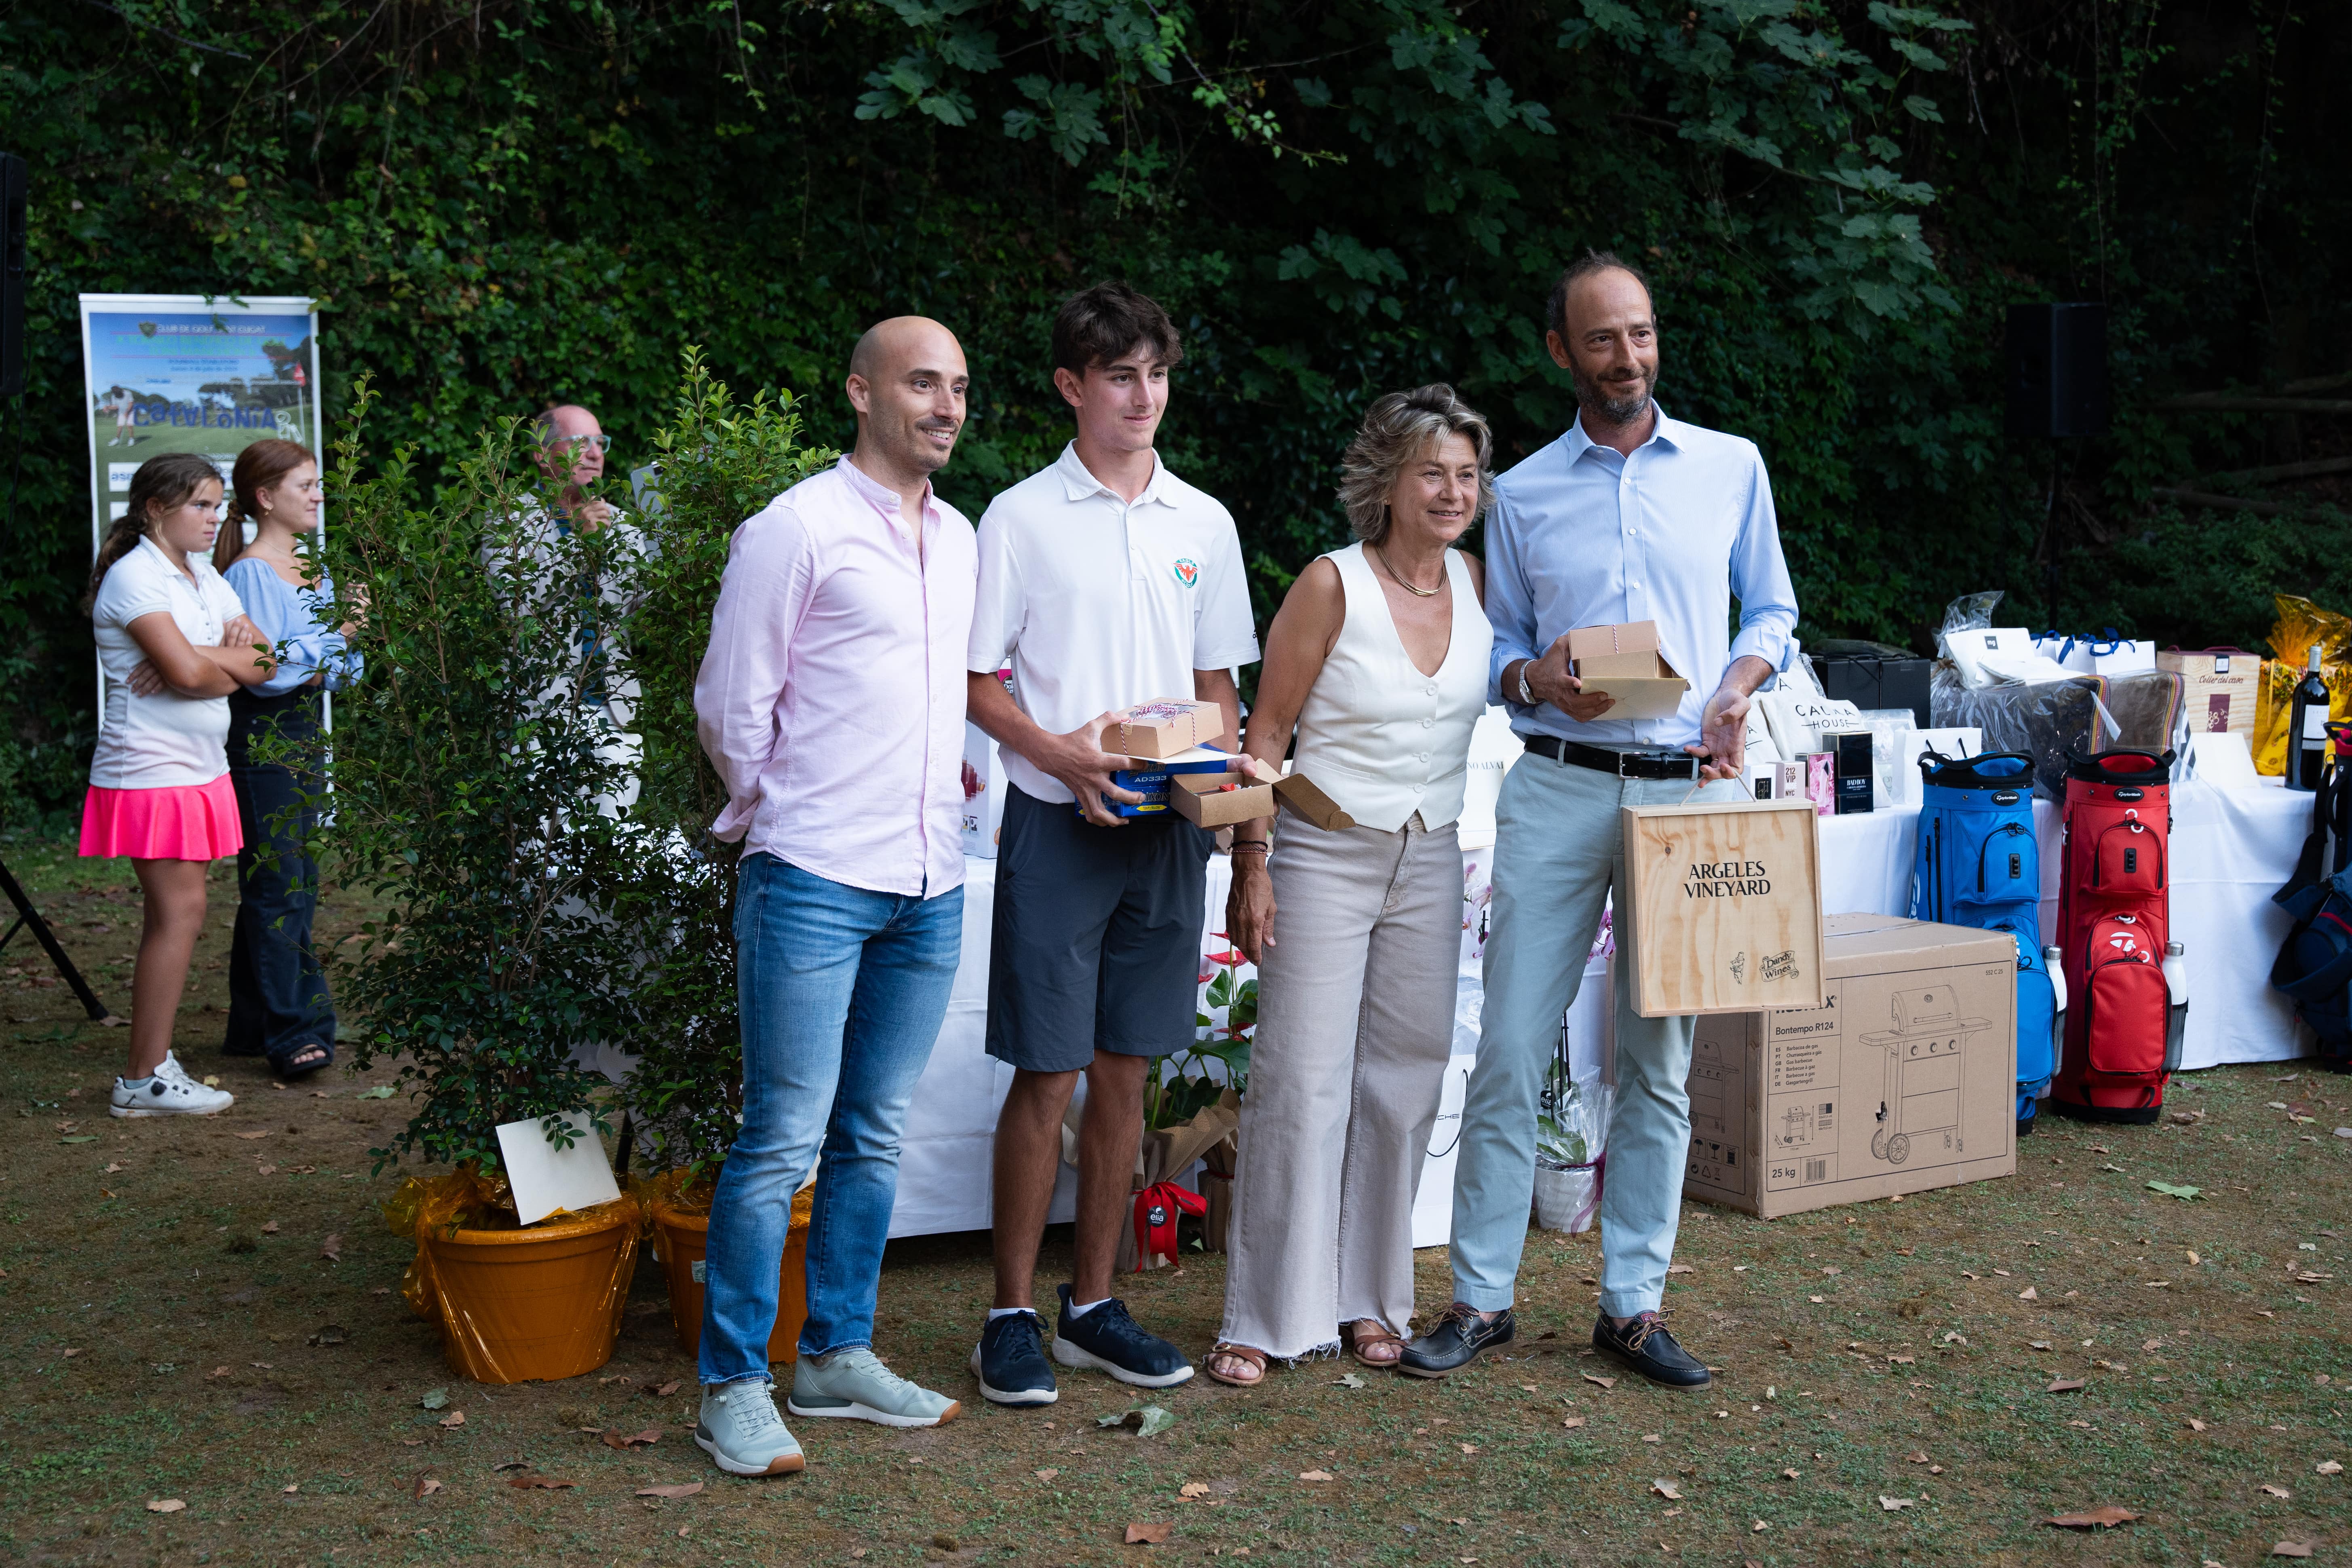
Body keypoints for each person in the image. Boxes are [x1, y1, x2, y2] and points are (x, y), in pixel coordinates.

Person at [1399, 253, 1797, 1386]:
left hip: (1684, 794)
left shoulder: (1730, 467)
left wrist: (1736, 685)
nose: (1627, 356)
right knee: (1511, 1050)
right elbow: (1497, 659)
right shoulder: (1517, 493)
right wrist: (1536, 680)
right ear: (1559, 352)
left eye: (1641, 334)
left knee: (1657, 1063)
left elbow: (1770, 604)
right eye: (1603, 339)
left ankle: (1631, 1305)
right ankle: (1480, 1300)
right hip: (1560, 783)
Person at [690, 317, 978, 1477]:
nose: (946, 405)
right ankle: (731, 1384)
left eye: (959, 387)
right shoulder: (795, 528)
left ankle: (836, 1356)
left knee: (876, 1132)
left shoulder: (957, 536)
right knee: (780, 1140)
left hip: (931, 877)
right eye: (922, 383)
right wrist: (792, 808)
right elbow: (728, 701)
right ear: (861, 393)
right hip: (813, 872)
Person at [965, 282, 1259, 1407]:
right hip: (1058, 820)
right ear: (1071, 387)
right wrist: (1065, 758)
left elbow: (1215, 690)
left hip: (1166, 837)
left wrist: (1215, 796)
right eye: (1120, 377)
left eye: (1156, 375)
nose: (1143, 397)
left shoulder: (1204, 522)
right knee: (1046, 1073)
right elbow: (978, 686)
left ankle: (1089, 1308)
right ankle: (1006, 1314)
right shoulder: (1018, 518)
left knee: (1127, 1072)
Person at [1205, 386, 1494, 1388]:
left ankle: (1373, 1298)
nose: (1453, 490)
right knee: (1301, 1078)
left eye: (1465, 473)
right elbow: (1265, 738)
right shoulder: (1331, 584)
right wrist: (1253, 862)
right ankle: (1264, 1313)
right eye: (1433, 472)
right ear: (1388, 482)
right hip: (1324, 852)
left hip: (1433, 856)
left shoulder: (1475, 580)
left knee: (1405, 1079)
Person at [83, 453, 279, 1117]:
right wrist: (211, 666)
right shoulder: (135, 578)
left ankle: (150, 1071)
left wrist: (202, 662)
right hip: (151, 770)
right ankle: (142, 1081)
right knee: (180, 913)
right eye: (200, 504)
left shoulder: (200, 573)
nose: (215, 517)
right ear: (154, 509)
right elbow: (197, 677)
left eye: (218, 505)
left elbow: (262, 659)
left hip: (199, 768)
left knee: (183, 914)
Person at [211, 439, 363, 1079]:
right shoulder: (249, 573)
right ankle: (297, 1031)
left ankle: (251, 1024)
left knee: (289, 879)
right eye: (305, 485)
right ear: (266, 497)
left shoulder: (313, 569)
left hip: (305, 732)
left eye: (318, 483)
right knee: (281, 884)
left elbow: (342, 673)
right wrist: (343, 633)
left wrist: (324, 652)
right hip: (266, 733)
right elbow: (268, 674)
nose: (318, 495)